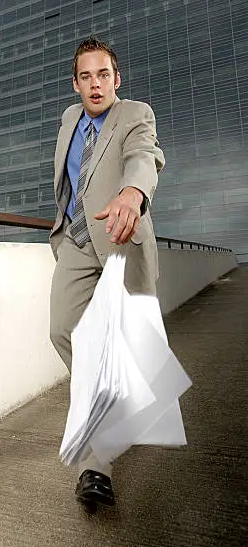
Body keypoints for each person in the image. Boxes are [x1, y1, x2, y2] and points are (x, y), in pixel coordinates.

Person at [49, 36, 165, 507]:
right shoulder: (69, 119)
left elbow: (145, 156)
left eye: (103, 75)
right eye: (86, 76)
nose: (95, 84)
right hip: (77, 240)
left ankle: (96, 466)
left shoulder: (136, 114)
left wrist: (132, 194)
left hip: (120, 235)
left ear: (116, 79)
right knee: (62, 332)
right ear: (75, 84)